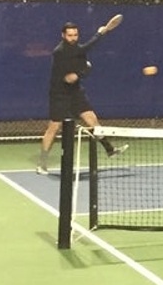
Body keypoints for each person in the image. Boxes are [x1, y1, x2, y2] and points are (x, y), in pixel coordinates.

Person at [37, 21, 127, 175]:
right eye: (70, 35)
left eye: (75, 35)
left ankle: (109, 150)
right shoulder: (60, 51)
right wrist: (101, 33)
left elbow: (82, 69)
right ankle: (42, 164)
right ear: (63, 36)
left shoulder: (77, 49)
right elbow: (82, 61)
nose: (73, 38)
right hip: (59, 94)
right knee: (54, 127)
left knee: (92, 119)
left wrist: (81, 72)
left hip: (75, 92)